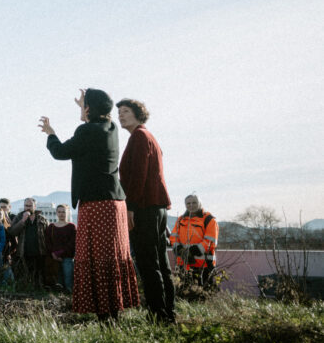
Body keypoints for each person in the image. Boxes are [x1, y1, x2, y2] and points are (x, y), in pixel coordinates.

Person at [40, 88, 139, 321]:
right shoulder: (112, 129)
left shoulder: (86, 131)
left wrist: (51, 133)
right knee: (112, 257)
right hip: (115, 203)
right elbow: (100, 119)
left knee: (96, 259)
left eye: (85, 106)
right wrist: (85, 107)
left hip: (96, 205)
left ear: (90, 110)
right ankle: (113, 312)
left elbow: (61, 152)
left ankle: (106, 316)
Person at [117, 98, 176, 322]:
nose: (121, 115)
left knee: (149, 263)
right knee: (160, 262)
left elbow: (138, 175)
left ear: (138, 114)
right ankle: (167, 313)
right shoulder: (145, 136)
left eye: (126, 111)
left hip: (145, 208)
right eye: (119, 112)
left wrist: (130, 207)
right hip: (156, 207)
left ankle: (158, 315)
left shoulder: (140, 137)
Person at [170, 194, 218, 285]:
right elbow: (173, 237)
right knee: (184, 294)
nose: (191, 205)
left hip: (204, 266)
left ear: (200, 203)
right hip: (183, 264)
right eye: (188, 203)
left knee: (204, 295)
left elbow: (210, 242)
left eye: (194, 202)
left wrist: (192, 251)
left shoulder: (209, 220)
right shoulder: (181, 220)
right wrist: (179, 249)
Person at [8, 198, 50, 288]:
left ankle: (40, 291)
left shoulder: (42, 219)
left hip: (40, 252)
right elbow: (12, 232)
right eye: (26, 205)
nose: (27, 208)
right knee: (26, 276)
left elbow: (48, 236)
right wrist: (23, 220)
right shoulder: (19, 217)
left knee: (39, 275)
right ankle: (27, 290)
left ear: (35, 206)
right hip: (24, 252)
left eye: (30, 206)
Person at [45, 204, 76, 293]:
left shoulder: (71, 227)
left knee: (68, 281)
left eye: (63, 212)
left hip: (67, 258)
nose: (61, 214)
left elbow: (72, 244)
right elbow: (48, 242)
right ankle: (59, 301)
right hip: (54, 259)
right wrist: (53, 254)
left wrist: (59, 253)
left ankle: (69, 301)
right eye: (59, 212)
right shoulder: (51, 227)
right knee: (58, 283)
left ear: (67, 213)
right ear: (56, 213)